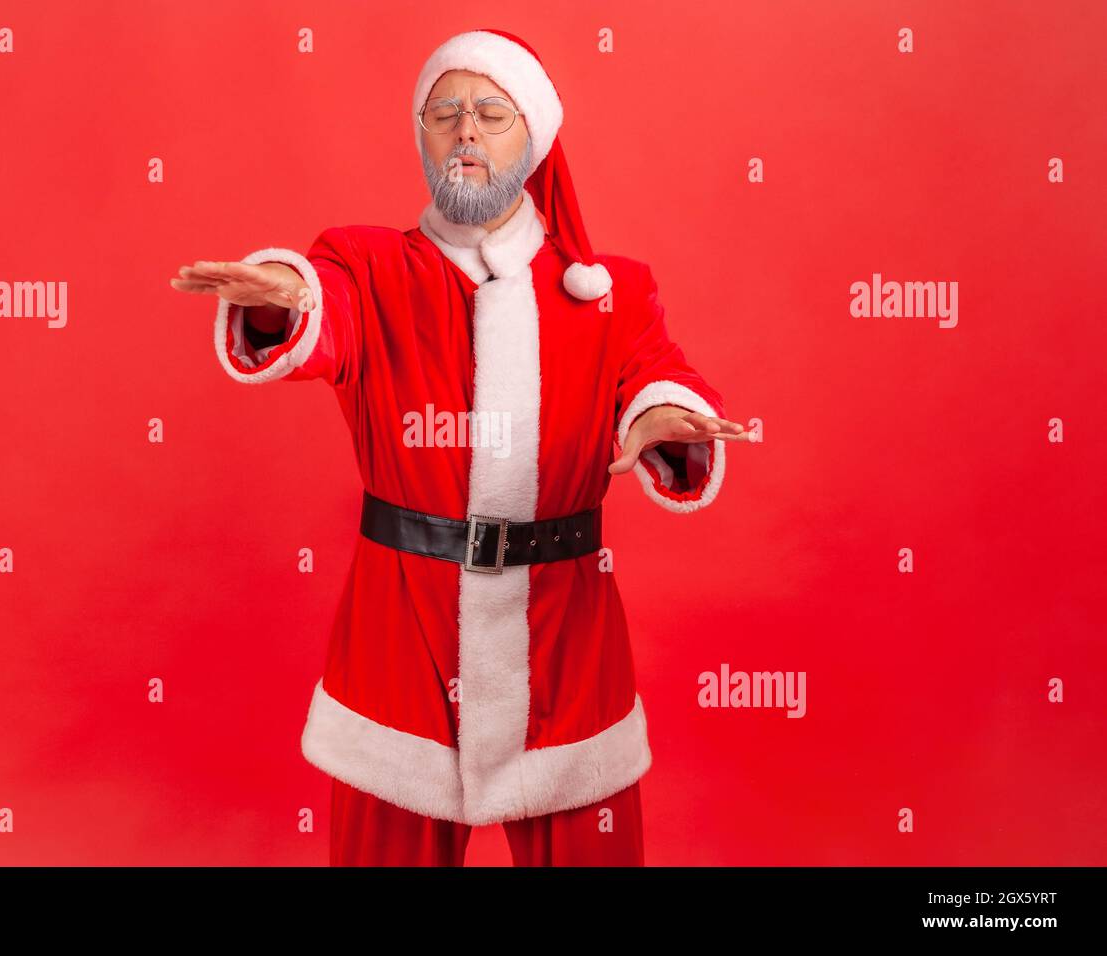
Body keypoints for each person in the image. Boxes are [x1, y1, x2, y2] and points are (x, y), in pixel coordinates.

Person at [170, 28, 752, 866]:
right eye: (444, 115)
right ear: (422, 137)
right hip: (400, 634)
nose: (465, 132)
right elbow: (322, 306)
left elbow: (659, 375)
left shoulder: (608, 292)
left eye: (489, 112)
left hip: (567, 640)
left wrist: (665, 418)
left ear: (535, 136)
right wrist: (283, 296)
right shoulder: (368, 266)